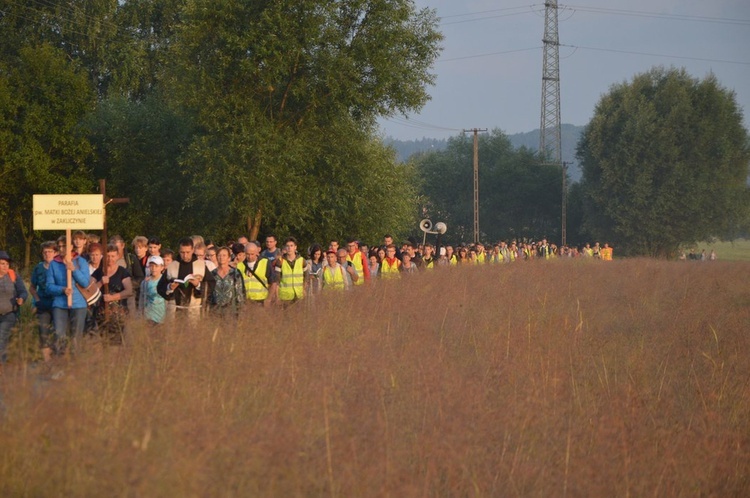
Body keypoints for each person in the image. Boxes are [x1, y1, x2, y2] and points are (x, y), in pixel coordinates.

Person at [46, 240, 90, 356]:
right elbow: (49, 286)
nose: (61, 248)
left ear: (70, 246)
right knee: (60, 335)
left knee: (76, 336)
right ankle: (61, 363)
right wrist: (62, 289)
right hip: (60, 304)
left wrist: (74, 270)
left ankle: (76, 364)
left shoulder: (81, 261)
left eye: (64, 246)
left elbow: (85, 283)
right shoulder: (53, 264)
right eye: (59, 246)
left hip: (78, 304)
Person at [157, 237, 215, 322]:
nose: (185, 255)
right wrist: (169, 287)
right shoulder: (172, 266)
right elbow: (160, 287)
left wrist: (198, 285)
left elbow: (211, 284)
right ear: (179, 251)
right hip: (175, 310)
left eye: (188, 252)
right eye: (182, 252)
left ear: (192, 250)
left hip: (194, 310)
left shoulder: (201, 265)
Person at [93, 245, 133, 344]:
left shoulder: (123, 272)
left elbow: (129, 291)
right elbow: (90, 291)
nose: (110, 259)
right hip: (100, 313)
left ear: (117, 256)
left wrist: (112, 297)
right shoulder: (98, 272)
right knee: (103, 341)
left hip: (118, 313)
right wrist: (101, 283)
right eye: (107, 256)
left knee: (116, 341)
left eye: (113, 256)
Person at [0, 251, 28, 368]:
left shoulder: (13, 276)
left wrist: (21, 298)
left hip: (9, 313)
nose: (5, 266)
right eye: (2, 264)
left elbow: (23, 291)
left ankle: (1, 365)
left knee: (2, 337)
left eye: (7, 264)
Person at [30, 242, 57, 363]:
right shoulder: (38, 268)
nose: (47, 254)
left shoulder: (59, 266)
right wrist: (37, 299)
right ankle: (47, 362)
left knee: (58, 332)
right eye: (45, 252)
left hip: (57, 304)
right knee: (43, 332)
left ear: (55, 253)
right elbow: (32, 287)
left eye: (50, 251)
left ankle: (58, 359)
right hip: (43, 304)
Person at [209, 247, 245, 318]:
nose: (221, 257)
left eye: (224, 255)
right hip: (215, 312)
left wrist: (241, 310)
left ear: (229, 258)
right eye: (219, 255)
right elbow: (209, 294)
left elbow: (240, 293)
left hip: (231, 312)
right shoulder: (212, 274)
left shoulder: (235, 273)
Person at [271, 237, 305, 305]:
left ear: (295, 247)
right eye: (287, 246)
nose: (289, 248)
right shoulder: (280, 261)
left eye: (291, 246)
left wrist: (304, 289)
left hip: (299, 296)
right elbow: (277, 280)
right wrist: (277, 296)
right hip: (285, 297)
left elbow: (306, 277)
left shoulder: (302, 260)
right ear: (285, 248)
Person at [239, 241, 274, 306]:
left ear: (257, 253)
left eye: (252, 254)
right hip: (245, 301)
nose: (249, 256)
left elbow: (272, 283)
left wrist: (269, 299)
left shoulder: (265, 262)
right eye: (247, 254)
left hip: (261, 301)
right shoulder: (240, 265)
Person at [140, 255, 166, 326]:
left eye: (156, 266)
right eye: (151, 266)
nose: (153, 268)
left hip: (162, 318)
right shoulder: (145, 282)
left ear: (162, 267)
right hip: (148, 318)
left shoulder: (165, 281)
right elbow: (142, 299)